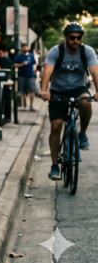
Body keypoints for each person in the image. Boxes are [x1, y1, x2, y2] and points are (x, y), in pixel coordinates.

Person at [40, 22, 98, 180]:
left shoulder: (87, 52)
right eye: (72, 38)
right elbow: (47, 71)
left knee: (86, 102)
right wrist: (44, 90)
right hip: (58, 91)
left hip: (78, 88)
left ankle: (82, 134)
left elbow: (94, 71)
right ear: (66, 37)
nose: (76, 41)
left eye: (79, 38)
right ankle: (54, 166)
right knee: (56, 126)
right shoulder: (56, 51)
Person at [14, 44, 38, 112]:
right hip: (22, 76)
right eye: (24, 47)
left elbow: (34, 64)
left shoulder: (31, 55)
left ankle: (31, 105)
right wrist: (22, 64)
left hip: (30, 76)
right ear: (22, 48)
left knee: (32, 90)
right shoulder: (19, 56)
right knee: (22, 91)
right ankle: (23, 105)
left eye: (26, 47)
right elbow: (14, 64)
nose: (25, 48)